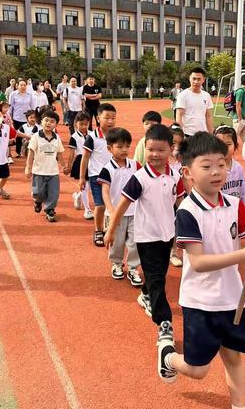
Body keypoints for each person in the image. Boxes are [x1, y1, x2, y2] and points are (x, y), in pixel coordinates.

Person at [160, 132, 245, 406]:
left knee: (233, 357)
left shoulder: (235, 205)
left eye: (221, 164)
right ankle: (169, 356)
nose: (216, 172)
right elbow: (198, 262)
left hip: (233, 298)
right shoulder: (187, 211)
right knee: (198, 370)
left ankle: (239, 405)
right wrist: (242, 254)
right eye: (207, 165)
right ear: (187, 172)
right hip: (201, 302)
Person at [105, 124, 185, 340]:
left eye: (161, 150)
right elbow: (122, 205)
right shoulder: (140, 178)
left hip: (166, 235)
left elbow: (180, 202)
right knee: (157, 278)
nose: (155, 154)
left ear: (171, 150)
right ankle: (164, 322)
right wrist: (111, 230)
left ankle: (145, 294)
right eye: (150, 149)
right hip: (146, 237)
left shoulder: (174, 176)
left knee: (159, 274)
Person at [98, 127, 143, 286]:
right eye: (120, 146)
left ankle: (133, 267)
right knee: (116, 242)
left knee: (135, 242)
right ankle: (117, 263)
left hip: (134, 212)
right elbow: (105, 192)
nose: (124, 150)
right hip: (116, 213)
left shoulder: (135, 165)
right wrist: (110, 209)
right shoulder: (107, 169)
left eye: (127, 146)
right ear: (110, 148)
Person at [79, 103, 116, 246]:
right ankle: (98, 230)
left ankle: (110, 228)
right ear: (98, 118)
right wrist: (82, 177)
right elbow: (85, 157)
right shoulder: (92, 137)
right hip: (97, 177)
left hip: (114, 176)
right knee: (100, 205)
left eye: (113, 118)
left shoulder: (116, 135)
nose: (111, 121)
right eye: (107, 118)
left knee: (113, 204)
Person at [25, 110, 66, 223]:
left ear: (56, 124)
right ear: (41, 122)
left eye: (52, 121)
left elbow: (59, 153)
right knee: (38, 192)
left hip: (53, 172)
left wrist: (63, 166)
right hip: (38, 171)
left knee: (53, 193)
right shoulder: (36, 137)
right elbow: (31, 153)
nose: (48, 123)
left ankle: (50, 209)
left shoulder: (57, 138)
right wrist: (28, 168)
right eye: (46, 120)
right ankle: (38, 201)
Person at [215, 126, 245, 220]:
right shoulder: (213, 170)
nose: (224, 148)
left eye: (228, 144)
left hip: (235, 215)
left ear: (235, 146)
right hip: (218, 217)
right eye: (219, 144)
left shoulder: (238, 168)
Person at [64, 111, 93, 220]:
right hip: (80, 161)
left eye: (86, 124)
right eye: (81, 124)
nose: (84, 126)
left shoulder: (92, 134)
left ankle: (77, 196)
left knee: (89, 187)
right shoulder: (74, 137)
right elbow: (71, 154)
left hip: (92, 161)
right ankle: (87, 209)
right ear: (76, 124)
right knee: (85, 186)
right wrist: (69, 166)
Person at [176, 68, 213, 137]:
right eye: (194, 78)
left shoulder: (207, 96)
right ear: (190, 79)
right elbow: (179, 116)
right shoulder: (183, 95)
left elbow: (208, 116)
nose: (196, 81)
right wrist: (181, 135)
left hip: (203, 134)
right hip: (188, 134)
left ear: (203, 80)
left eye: (199, 79)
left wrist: (211, 134)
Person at [168, 124, 185, 268]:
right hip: (164, 198)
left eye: (180, 143)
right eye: (173, 142)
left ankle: (173, 252)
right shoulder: (161, 159)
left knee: (176, 225)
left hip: (180, 197)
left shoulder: (184, 160)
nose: (176, 146)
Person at [9, 79, 35, 157]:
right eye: (21, 85)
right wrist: (10, 117)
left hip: (27, 118)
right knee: (17, 135)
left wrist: (33, 116)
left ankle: (26, 151)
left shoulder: (29, 95)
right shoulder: (13, 94)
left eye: (24, 85)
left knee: (27, 135)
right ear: (17, 86)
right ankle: (17, 151)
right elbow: (10, 107)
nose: (23, 87)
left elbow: (32, 106)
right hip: (16, 117)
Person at [231, 74, 245, 144]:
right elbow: (238, 104)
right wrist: (240, 117)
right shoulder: (240, 91)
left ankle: (243, 154)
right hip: (240, 119)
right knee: (234, 139)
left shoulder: (244, 91)